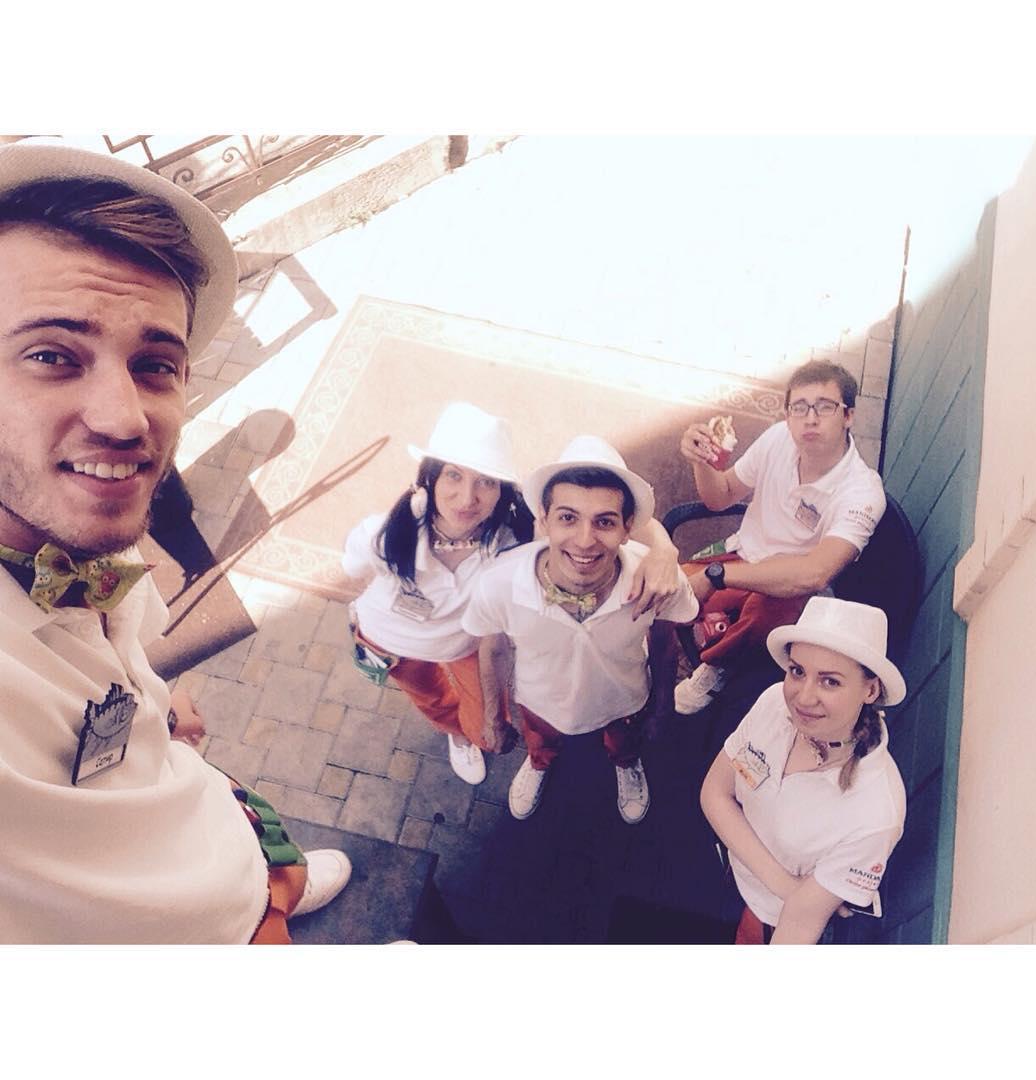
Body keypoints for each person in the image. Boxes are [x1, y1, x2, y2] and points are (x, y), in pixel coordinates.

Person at [0, 139, 350, 943]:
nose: (126, 420)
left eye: (156, 364)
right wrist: (250, 915)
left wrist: (151, 710)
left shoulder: (64, 520)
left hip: (199, 801)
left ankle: (279, 878)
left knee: (267, 855)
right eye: (52, 355)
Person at [342, 409, 684, 786]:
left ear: (502, 490)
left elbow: (601, 512)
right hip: (392, 640)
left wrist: (664, 549)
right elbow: (352, 567)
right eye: (453, 475)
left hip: (466, 643)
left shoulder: (515, 536)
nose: (467, 498)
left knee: (484, 724)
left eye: (486, 481)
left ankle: (474, 734)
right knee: (432, 701)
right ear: (430, 476)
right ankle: (455, 736)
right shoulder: (382, 534)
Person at [462, 437, 699, 823]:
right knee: (541, 743)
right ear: (544, 521)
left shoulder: (657, 581)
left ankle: (627, 763)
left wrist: (661, 706)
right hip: (540, 700)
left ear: (627, 529)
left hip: (623, 699)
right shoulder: (498, 583)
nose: (585, 541)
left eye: (604, 522)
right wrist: (493, 717)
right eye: (568, 518)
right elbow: (494, 650)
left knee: (625, 743)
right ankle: (539, 763)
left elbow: (664, 645)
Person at [674, 359, 886, 714]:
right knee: (668, 591)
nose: (810, 418)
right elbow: (720, 496)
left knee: (767, 612)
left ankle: (717, 667)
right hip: (742, 555)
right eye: (799, 407)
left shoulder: (862, 492)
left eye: (824, 407)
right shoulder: (778, 439)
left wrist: (716, 576)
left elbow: (814, 573)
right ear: (788, 415)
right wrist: (703, 461)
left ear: (848, 415)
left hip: (792, 586)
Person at [699, 597, 906, 944]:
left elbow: (800, 922)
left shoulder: (875, 815)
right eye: (797, 671)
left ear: (870, 690)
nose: (804, 698)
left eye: (830, 681)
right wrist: (789, 888)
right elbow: (715, 793)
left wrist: (790, 901)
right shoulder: (773, 703)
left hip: (772, 917)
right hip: (744, 879)